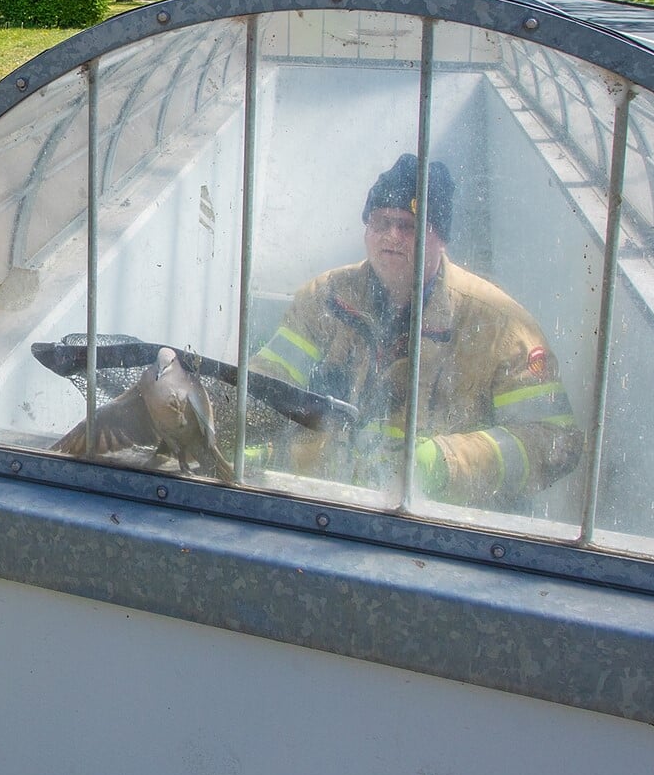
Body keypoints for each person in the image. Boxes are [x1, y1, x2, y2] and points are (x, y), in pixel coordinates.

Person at [249, 154, 583, 509]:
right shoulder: (324, 297)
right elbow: (268, 382)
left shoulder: (501, 325)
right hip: (325, 506)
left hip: (435, 527)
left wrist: (444, 465)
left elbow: (556, 441)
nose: (392, 236)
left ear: (441, 238)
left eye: (409, 225)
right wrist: (245, 428)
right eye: (380, 222)